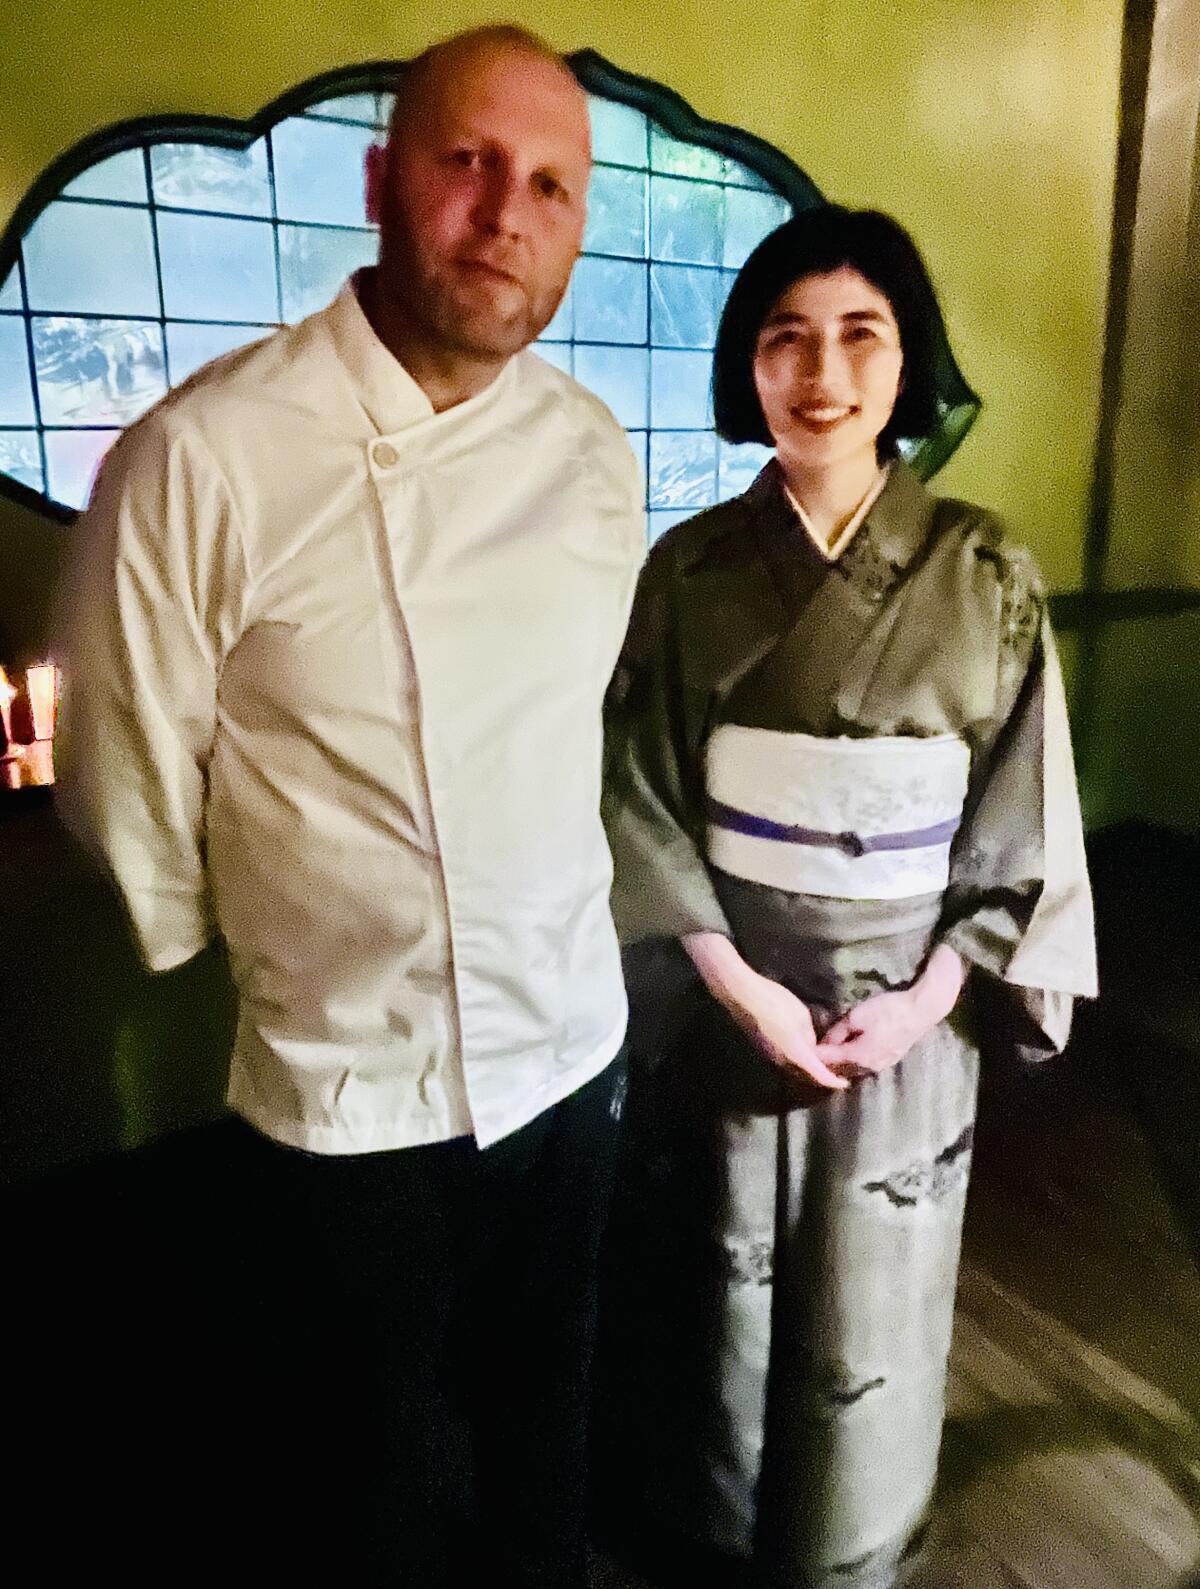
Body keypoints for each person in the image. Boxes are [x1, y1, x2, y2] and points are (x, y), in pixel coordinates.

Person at [55, 25, 643, 1588]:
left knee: (549, 1434)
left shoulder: (592, 454)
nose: (506, 213)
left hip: (569, 1045)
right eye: (468, 163)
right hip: (343, 1090)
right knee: (356, 1477)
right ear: (385, 181)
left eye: (552, 188)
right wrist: (226, 942)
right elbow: (124, 751)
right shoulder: (204, 456)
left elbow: (567, 728)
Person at [597, 207, 1097, 1588]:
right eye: (785, 338)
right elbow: (636, 793)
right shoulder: (686, 571)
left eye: (859, 336)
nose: (822, 372)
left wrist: (937, 989)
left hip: (910, 1010)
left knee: (877, 1284)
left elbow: (1021, 810)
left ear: (907, 362)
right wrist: (737, 979)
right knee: (722, 1269)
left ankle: (854, 1547)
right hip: (732, 988)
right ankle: (708, 1531)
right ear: (747, 368)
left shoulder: (986, 571)